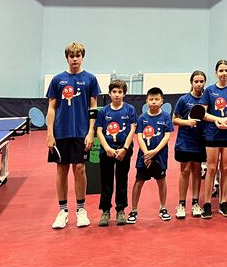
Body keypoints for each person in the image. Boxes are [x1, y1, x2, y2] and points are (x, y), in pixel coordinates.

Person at [46, 41, 101, 229]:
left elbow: (93, 108)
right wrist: (50, 133)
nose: (75, 59)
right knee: (61, 169)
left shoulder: (90, 79)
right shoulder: (57, 80)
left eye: (78, 55)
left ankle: (81, 210)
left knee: (80, 168)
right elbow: (51, 108)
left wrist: (91, 131)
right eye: (72, 56)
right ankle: (62, 211)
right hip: (61, 132)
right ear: (67, 58)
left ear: (82, 57)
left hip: (81, 132)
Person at [200, 59, 227, 219]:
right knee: (211, 169)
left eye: (226, 70)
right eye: (221, 71)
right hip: (212, 133)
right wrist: (218, 120)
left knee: (225, 169)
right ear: (216, 73)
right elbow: (203, 113)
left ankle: (223, 203)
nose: (224, 73)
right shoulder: (209, 91)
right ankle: (207, 204)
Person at [128, 86, 173, 223]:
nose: (154, 102)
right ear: (146, 101)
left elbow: (167, 135)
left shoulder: (166, 116)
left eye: (157, 99)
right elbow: (139, 136)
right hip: (144, 157)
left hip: (160, 156)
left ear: (162, 101)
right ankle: (134, 210)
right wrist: (147, 153)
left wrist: (155, 151)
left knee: (161, 181)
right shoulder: (142, 118)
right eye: (151, 99)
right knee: (139, 181)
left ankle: (163, 207)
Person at [95, 78, 137, 226]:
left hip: (123, 150)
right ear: (109, 93)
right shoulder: (104, 111)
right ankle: (105, 211)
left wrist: (125, 148)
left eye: (120, 92)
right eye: (114, 91)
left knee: (121, 180)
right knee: (106, 181)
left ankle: (121, 209)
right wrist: (107, 148)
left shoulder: (130, 109)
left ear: (124, 94)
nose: (117, 94)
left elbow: (132, 129)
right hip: (107, 151)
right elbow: (99, 131)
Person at [172, 70, 208, 219]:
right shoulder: (184, 99)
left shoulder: (206, 99)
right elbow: (174, 119)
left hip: (200, 141)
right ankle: (181, 204)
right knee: (185, 171)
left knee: (197, 171)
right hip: (185, 141)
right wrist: (187, 122)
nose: (199, 84)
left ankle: (195, 203)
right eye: (196, 81)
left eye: (201, 81)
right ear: (191, 82)